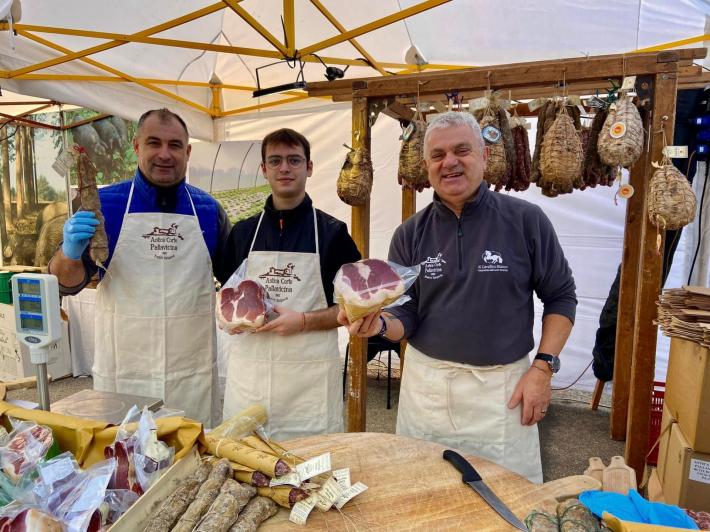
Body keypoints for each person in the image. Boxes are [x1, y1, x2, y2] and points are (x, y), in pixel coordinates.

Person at [339, 111, 577, 483]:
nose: (449, 162)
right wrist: (379, 324)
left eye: (461, 150)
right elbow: (407, 313)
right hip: (429, 391)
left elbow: (561, 296)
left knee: (506, 498)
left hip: (503, 391)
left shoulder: (526, 220)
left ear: (484, 156)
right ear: (426, 167)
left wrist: (542, 369)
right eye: (437, 155)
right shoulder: (410, 233)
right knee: (426, 493)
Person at [48, 108, 231, 427]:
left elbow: (235, 279)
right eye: (154, 143)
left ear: (187, 152)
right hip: (124, 375)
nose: (164, 154)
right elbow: (66, 283)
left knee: (190, 449)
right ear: (136, 147)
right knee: (125, 451)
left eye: (175, 145)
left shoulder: (209, 210)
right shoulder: (104, 205)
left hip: (191, 375)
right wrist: (69, 253)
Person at [217, 128, 361, 440]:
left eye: (294, 160)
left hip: (309, 387)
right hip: (250, 380)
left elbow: (353, 309)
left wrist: (305, 320)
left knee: (310, 463)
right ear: (263, 169)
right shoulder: (243, 234)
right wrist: (231, 319)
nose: (285, 168)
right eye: (276, 160)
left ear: (309, 167)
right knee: (246, 460)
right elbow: (226, 297)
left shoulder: (333, 234)